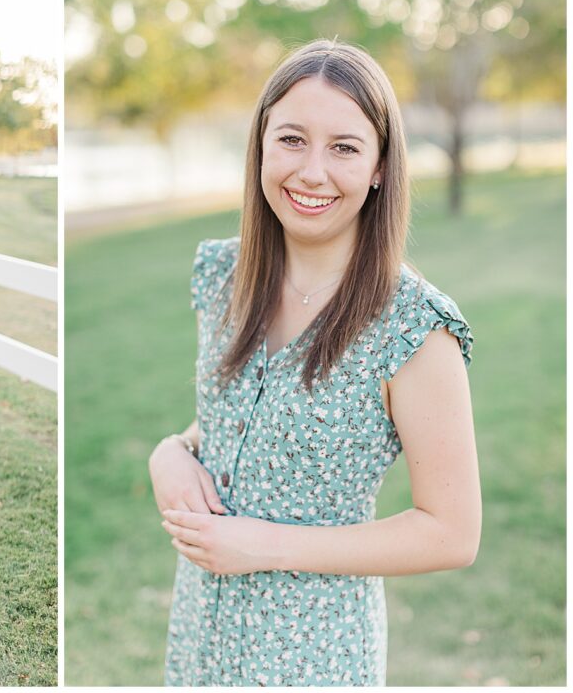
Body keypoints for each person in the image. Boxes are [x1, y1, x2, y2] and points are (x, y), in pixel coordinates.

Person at [148, 39, 480, 686]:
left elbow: (451, 532)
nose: (312, 172)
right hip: (201, 637)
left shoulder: (413, 327)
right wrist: (170, 452)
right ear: (262, 145)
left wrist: (263, 544)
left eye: (345, 147)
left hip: (314, 654)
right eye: (293, 139)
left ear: (381, 165)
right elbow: (235, 421)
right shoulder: (223, 276)